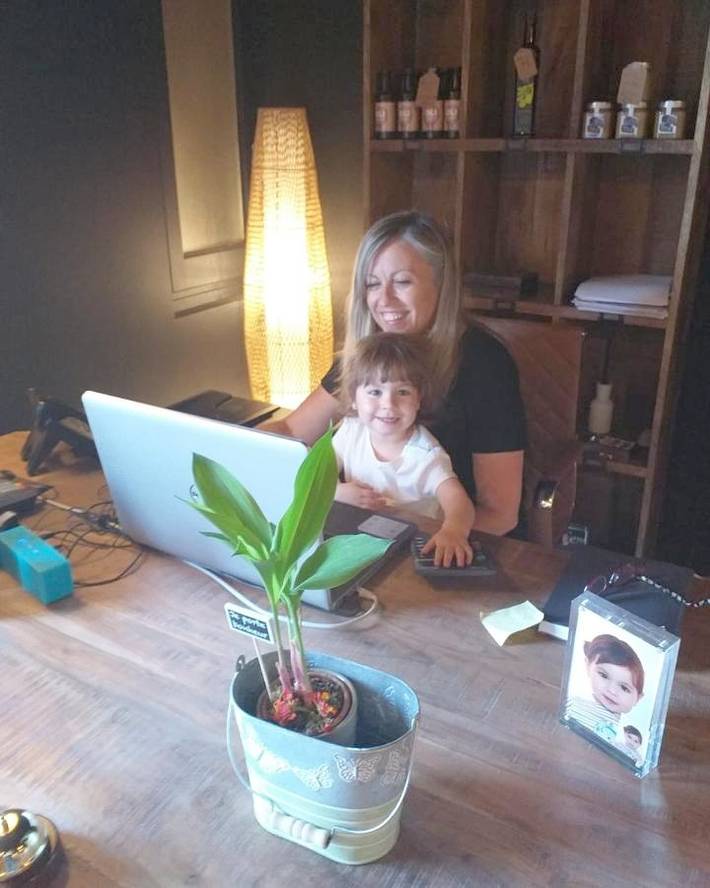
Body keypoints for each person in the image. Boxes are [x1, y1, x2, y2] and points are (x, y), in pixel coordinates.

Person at [262, 210, 526, 535]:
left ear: (442, 285)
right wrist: (236, 453)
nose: (383, 299)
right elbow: (291, 429)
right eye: (372, 284)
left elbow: (500, 516)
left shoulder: (486, 365)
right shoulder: (369, 357)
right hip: (364, 533)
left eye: (402, 282)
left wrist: (404, 528)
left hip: (445, 542)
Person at [334, 332, 475, 566]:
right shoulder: (351, 429)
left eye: (403, 392)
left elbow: (459, 501)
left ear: (419, 399)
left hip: (413, 548)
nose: (388, 404)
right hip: (359, 538)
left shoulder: (427, 456)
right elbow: (321, 472)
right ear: (353, 399)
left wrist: (453, 531)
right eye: (375, 392)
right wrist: (336, 491)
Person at [564, 634, 645, 742]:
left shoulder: (629, 737)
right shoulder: (571, 705)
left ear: (638, 699)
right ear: (588, 666)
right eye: (604, 675)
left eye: (624, 688)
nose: (611, 691)